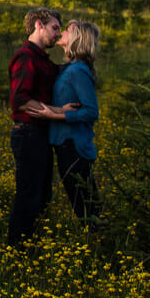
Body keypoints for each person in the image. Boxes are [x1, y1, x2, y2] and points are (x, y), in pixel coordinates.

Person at [27, 20, 102, 229]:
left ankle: (101, 244)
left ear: (77, 38)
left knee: (86, 205)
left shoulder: (78, 71)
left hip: (75, 146)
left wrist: (55, 115)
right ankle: (98, 241)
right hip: (64, 144)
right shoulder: (69, 67)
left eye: (67, 30)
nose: (61, 32)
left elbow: (91, 111)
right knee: (82, 202)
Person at [6, 6, 62, 247]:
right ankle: (17, 251)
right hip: (28, 134)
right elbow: (20, 99)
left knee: (41, 197)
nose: (58, 34)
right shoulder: (26, 57)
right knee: (29, 196)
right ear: (39, 25)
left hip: (39, 135)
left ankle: (31, 249)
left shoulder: (43, 60)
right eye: (55, 28)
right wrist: (56, 113)